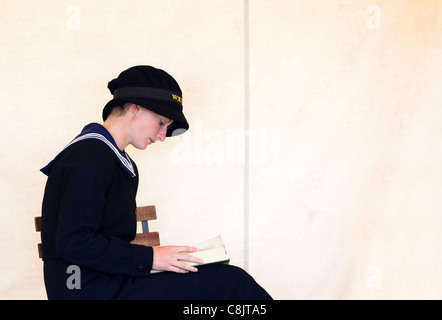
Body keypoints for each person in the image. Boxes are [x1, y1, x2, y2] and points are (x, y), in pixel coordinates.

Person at [40, 65, 272, 300]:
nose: (162, 136)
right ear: (136, 106)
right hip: (83, 288)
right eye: (161, 122)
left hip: (111, 278)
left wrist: (155, 260)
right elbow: (73, 243)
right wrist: (151, 258)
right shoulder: (90, 156)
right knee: (232, 283)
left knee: (219, 276)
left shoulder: (119, 162)